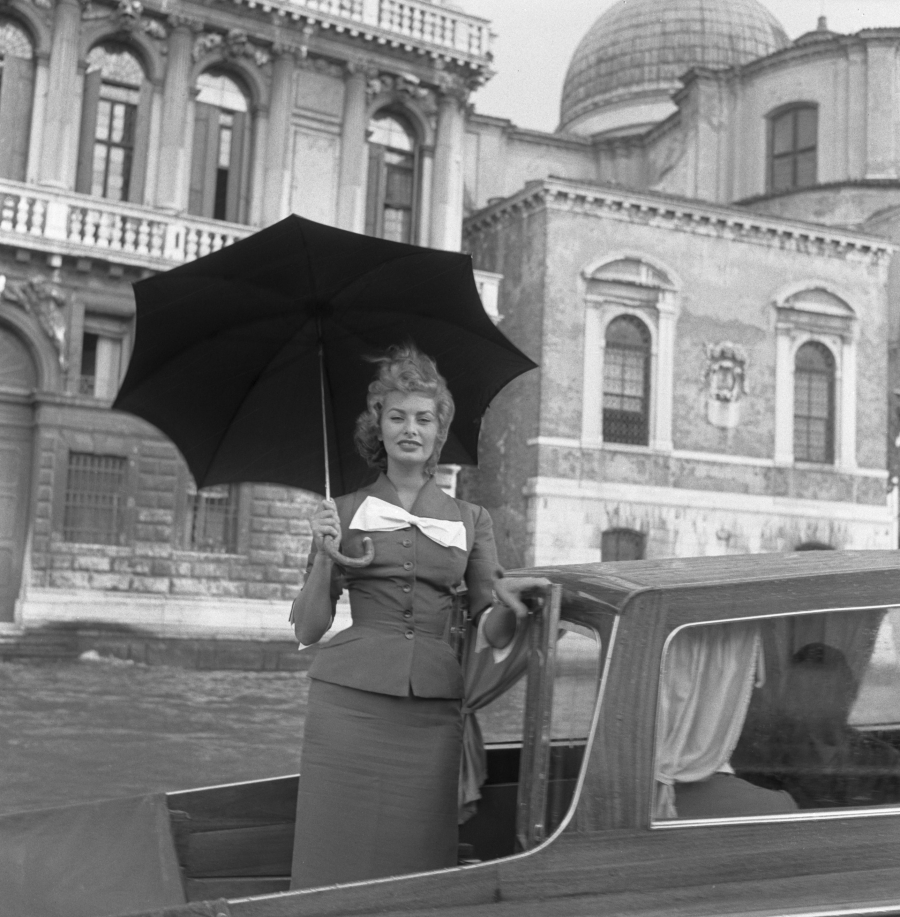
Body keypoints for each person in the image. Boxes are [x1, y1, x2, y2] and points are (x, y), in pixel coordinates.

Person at [289, 344, 539, 889]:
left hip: (432, 708)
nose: (411, 428)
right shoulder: (346, 511)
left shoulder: (473, 519)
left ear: (439, 432)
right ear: (376, 426)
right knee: (336, 855)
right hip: (348, 705)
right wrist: (320, 552)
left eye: (424, 418)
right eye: (397, 416)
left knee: (420, 863)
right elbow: (309, 629)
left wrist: (512, 609)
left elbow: (488, 625)